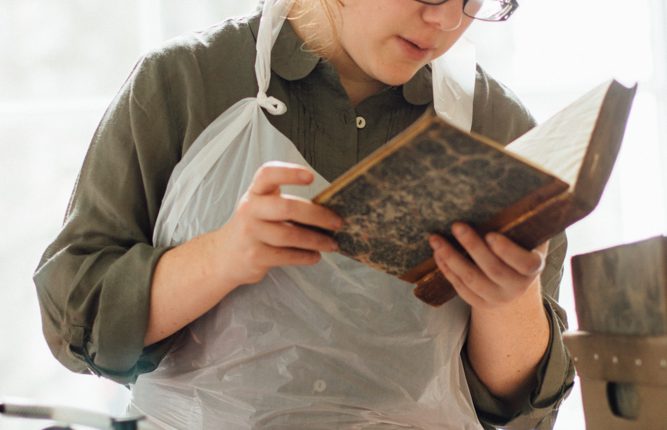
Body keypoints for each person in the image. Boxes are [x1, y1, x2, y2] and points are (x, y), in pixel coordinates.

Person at [34, 0, 574, 428]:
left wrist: (509, 301)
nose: (448, 20)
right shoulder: (184, 82)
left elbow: (513, 407)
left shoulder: (499, 129)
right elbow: (77, 324)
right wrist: (222, 257)